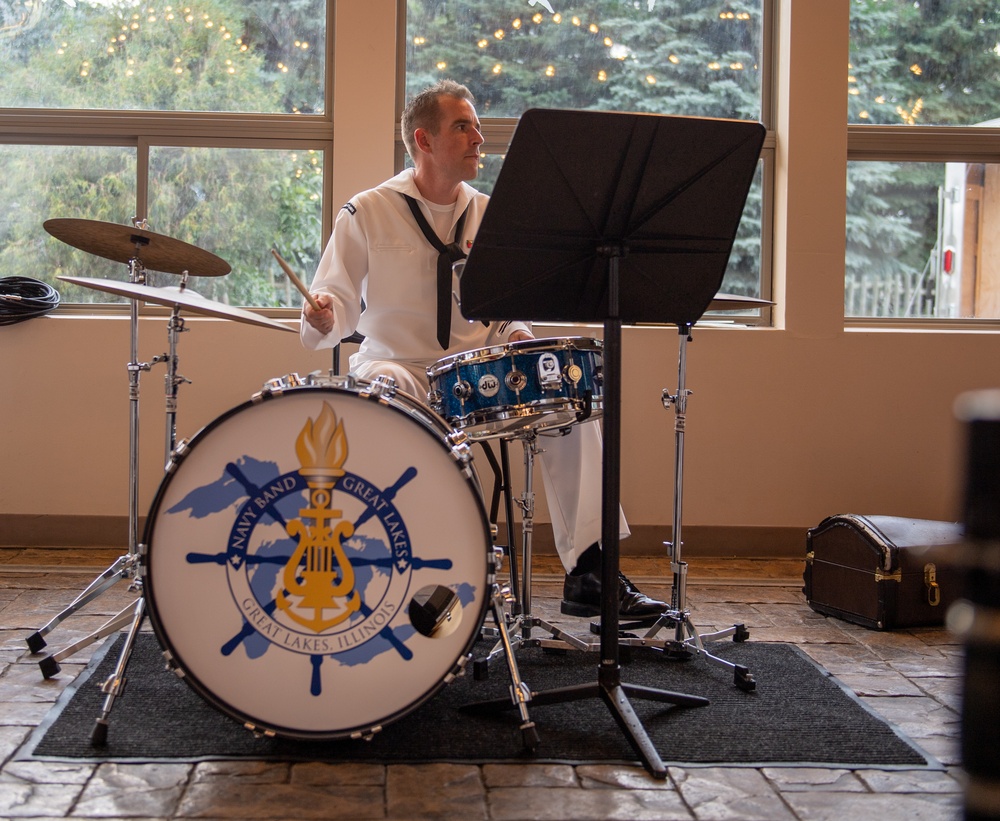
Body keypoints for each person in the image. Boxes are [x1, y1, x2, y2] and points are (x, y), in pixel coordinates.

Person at [300, 80, 665, 621]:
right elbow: (335, 307)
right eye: (462, 127)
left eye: (476, 125)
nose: (478, 137)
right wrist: (324, 316)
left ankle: (590, 568)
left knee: (570, 397)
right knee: (390, 389)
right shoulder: (368, 211)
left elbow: (507, 303)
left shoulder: (493, 214)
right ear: (423, 140)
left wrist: (519, 331)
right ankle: (425, 572)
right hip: (400, 365)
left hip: (479, 371)